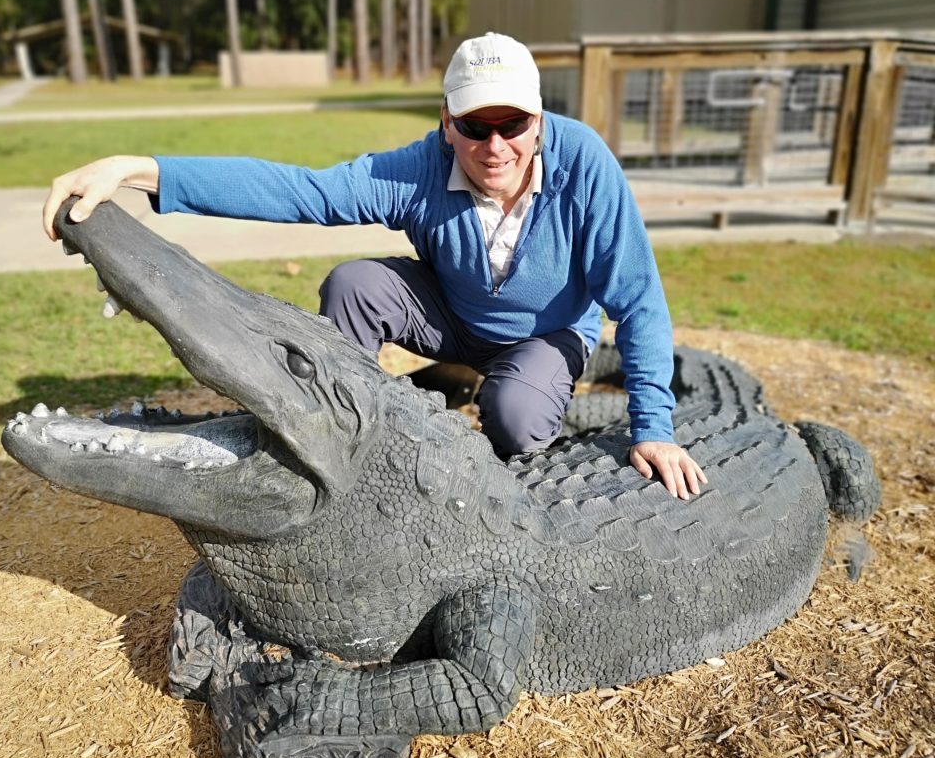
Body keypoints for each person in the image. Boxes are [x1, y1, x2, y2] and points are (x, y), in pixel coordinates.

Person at [43, 32, 706, 499]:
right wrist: (140, 169)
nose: (495, 145)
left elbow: (639, 301)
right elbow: (299, 191)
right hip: (453, 311)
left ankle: (483, 388)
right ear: (447, 121)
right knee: (355, 285)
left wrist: (655, 429)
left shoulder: (585, 165)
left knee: (515, 418)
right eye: (476, 126)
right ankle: (345, 439)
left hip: (545, 334)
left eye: (513, 124)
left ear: (539, 119)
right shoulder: (418, 169)